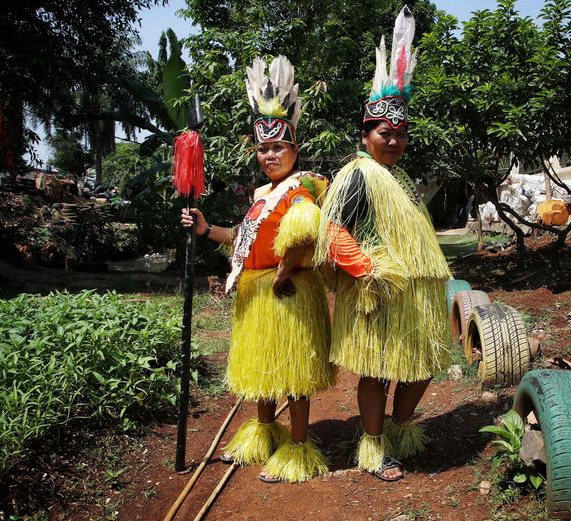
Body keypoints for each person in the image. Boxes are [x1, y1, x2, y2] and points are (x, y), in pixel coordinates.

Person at [181, 55, 334, 483]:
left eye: (278, 147)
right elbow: (243, 240)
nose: (270, 155)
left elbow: (306, 231)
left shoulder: (300, 187)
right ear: (256, 151)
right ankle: (265, 434)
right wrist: (206, 228)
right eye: (264, 148)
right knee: (263, 370)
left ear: (293, 150)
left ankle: (298, 449)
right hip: (257, 293)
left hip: (286, 293)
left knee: (293, 373)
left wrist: (285, 271)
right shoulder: (261, 193)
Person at [315, 6, 452, 482]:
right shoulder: (357, 175)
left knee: (421, 366)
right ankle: (374, 447)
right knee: (376, 372)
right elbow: (332, 232)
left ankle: (398, 429)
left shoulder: (405, 179)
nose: (392, 141)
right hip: (377, 293)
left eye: (399, 133)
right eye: (383, 133)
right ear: (366, 135)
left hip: (415, 297)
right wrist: (368, 270)